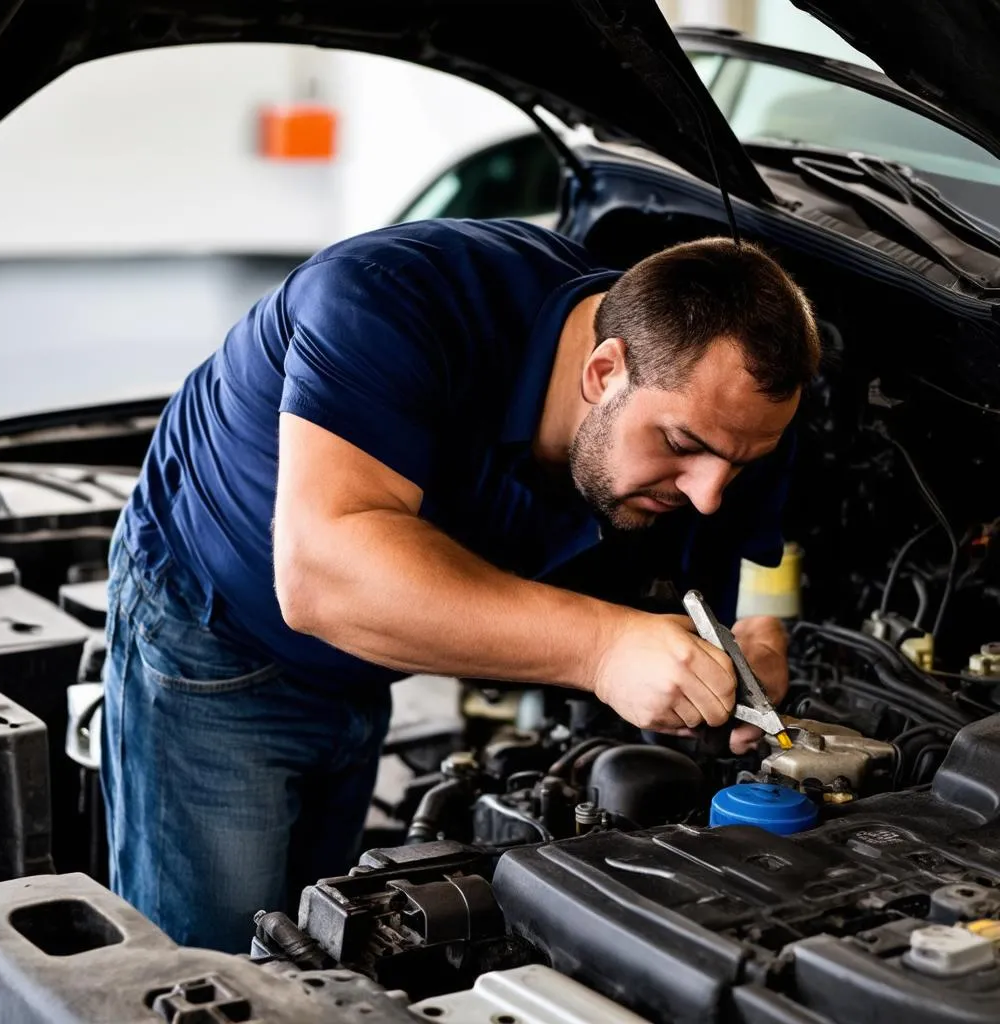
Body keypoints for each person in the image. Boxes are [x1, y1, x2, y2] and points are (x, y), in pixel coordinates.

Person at [100, 217, 819, 953]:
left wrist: (762, 633)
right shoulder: (387, 302)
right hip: (219, 634)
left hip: (367, 662)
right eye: (680, 447)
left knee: (313, 943)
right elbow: (322, 577)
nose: (707, 495)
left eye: (741, 462)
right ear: (604, 371)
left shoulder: (727, 404)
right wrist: (605, 650)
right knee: (212, 964)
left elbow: (770, 548)